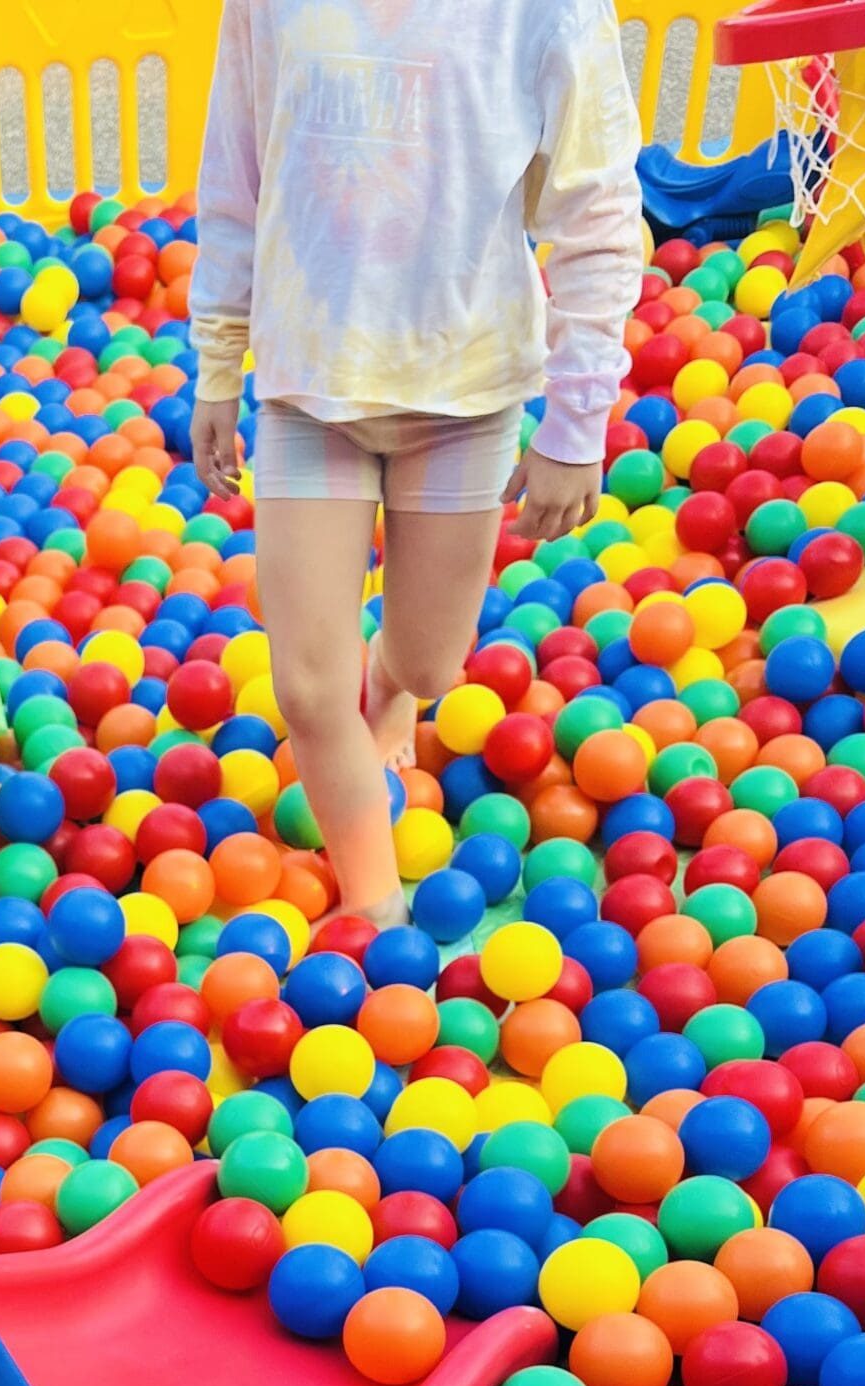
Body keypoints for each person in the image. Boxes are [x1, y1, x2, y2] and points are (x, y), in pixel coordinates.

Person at [190, 0, 643, 925]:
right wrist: (217, 358)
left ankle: (393, 684)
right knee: (310, 689)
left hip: (461, 396)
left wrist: (575, 421)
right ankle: (373, 904)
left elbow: (596, 211)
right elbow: (234, 177)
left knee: (433, 665)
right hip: (308, 390)